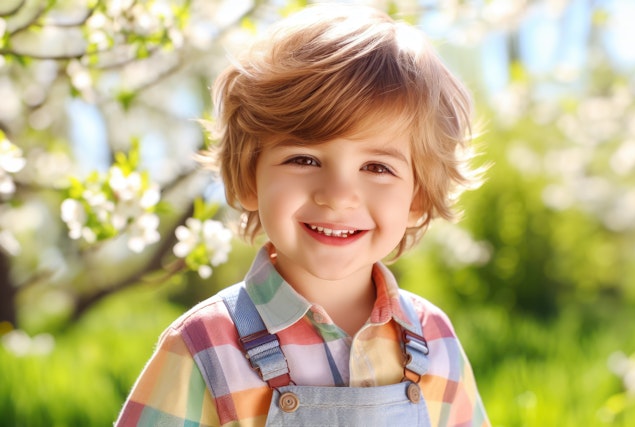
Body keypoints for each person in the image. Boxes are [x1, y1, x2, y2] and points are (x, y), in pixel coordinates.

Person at [116, 3, 490, 426]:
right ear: (248, 180)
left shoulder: (434, 339)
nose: (338, 195)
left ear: (417, 198)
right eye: (304, 159)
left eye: (377, 167)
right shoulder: (205, 347)